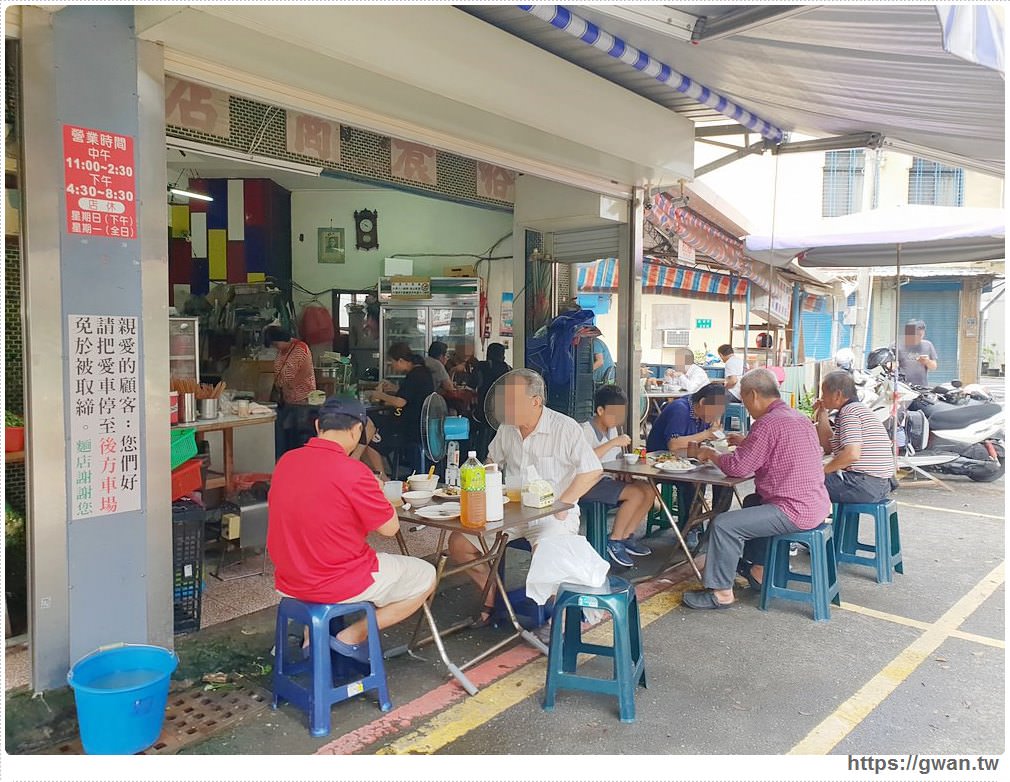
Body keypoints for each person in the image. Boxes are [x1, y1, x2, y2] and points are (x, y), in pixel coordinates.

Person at [267, 398, 435, 661]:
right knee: (426, 574)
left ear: (317, 426)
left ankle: (313, 640)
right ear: (358, 430)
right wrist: (380, 494)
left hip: (289, 579)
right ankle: (352, 636)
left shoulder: (286, 462)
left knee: (320, 552)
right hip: (337, 580)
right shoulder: (355, 472)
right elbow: (389, 529)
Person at [448, 369, 603, 628]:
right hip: (512, 511)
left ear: (535, 401)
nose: (505, 407)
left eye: (512, 400)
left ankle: (559, 622)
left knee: (549, 553)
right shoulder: (508, 428)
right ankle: (493, 598)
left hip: (552, 514)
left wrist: (564, 504)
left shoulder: (565, 428)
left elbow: (592, 470)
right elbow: (490, 463)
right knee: (458, 544)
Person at [684, 369, 831, 610]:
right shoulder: (798, 418)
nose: (746, 407)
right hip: (816, 504)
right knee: (753, 500)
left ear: (753, 395)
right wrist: (747, 442)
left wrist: (711, 454)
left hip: (793, 510)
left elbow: (738, 468)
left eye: (744, 400)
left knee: (724, 524)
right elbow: (780, 450)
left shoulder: (767, 424)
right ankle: (758, 569)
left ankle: (721, 593)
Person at [645, 383, 733, 544]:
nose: (716, 415)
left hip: (688, 461)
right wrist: (707, 433)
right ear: (703, 402)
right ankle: (690, 529)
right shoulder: (680, 409)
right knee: (694, 482)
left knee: (724, 479)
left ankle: (717, 527)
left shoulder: (703, 414)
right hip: (661, 464)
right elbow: (674, 444)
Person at [580, 385, 654, 567]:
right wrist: (614, 443)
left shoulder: (612, 429)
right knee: (635, 494)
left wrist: (623, 471)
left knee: (648, 489)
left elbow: (615, 459)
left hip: (607, 479)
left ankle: (626, 536)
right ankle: (614, 540)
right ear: (600, 410)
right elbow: (584, 460)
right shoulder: (584, 430)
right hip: (587, 483)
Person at [814, 370, 897, 504]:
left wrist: (823, 470)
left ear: (837, 395)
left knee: (805, 483)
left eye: (824, 393)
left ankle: (804, 522)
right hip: (878, 485)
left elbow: (852, 454)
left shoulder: (850, 412)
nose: (822, 397)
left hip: (866, 485)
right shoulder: (856, 409)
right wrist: (822, 413)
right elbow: (828, 446)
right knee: (815, 478)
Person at [370, 342, 434, 477]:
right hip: (417, 424)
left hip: (406, 428)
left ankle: (382, 477)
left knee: (368, 438)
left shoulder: (414, 375)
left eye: (392, 362)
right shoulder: (422, 371)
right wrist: (395, 389)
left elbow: (400, 403)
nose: (391, 366)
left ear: (401, 360)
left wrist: (379, 395)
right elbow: (412, 396)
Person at [264, 325, 317, 459]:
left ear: (283, 339)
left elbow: (289, 375)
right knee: (287, 436)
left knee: (300, 438)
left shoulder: (300, 349)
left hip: (302, 401)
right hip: (287, 400)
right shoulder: (282, 351)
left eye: (276, 344)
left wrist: (280, 383)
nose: (276, 347)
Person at [472, 343, 511, 459]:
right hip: (503, 413)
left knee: (483, 439)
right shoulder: (509, 369)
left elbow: (471, 385)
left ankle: (481, 459)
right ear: (503, 356)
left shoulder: (482, 366)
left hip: (483, 411)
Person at [896, 319, 938, 387]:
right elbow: (889, 365)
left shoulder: (927, 345)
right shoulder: (896, 345)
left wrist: (927, 362)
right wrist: (893, 365)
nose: (919, 337)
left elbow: (934, 367)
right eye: (916, 334)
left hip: (921, 388)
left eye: (921, 335)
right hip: (902, 387)